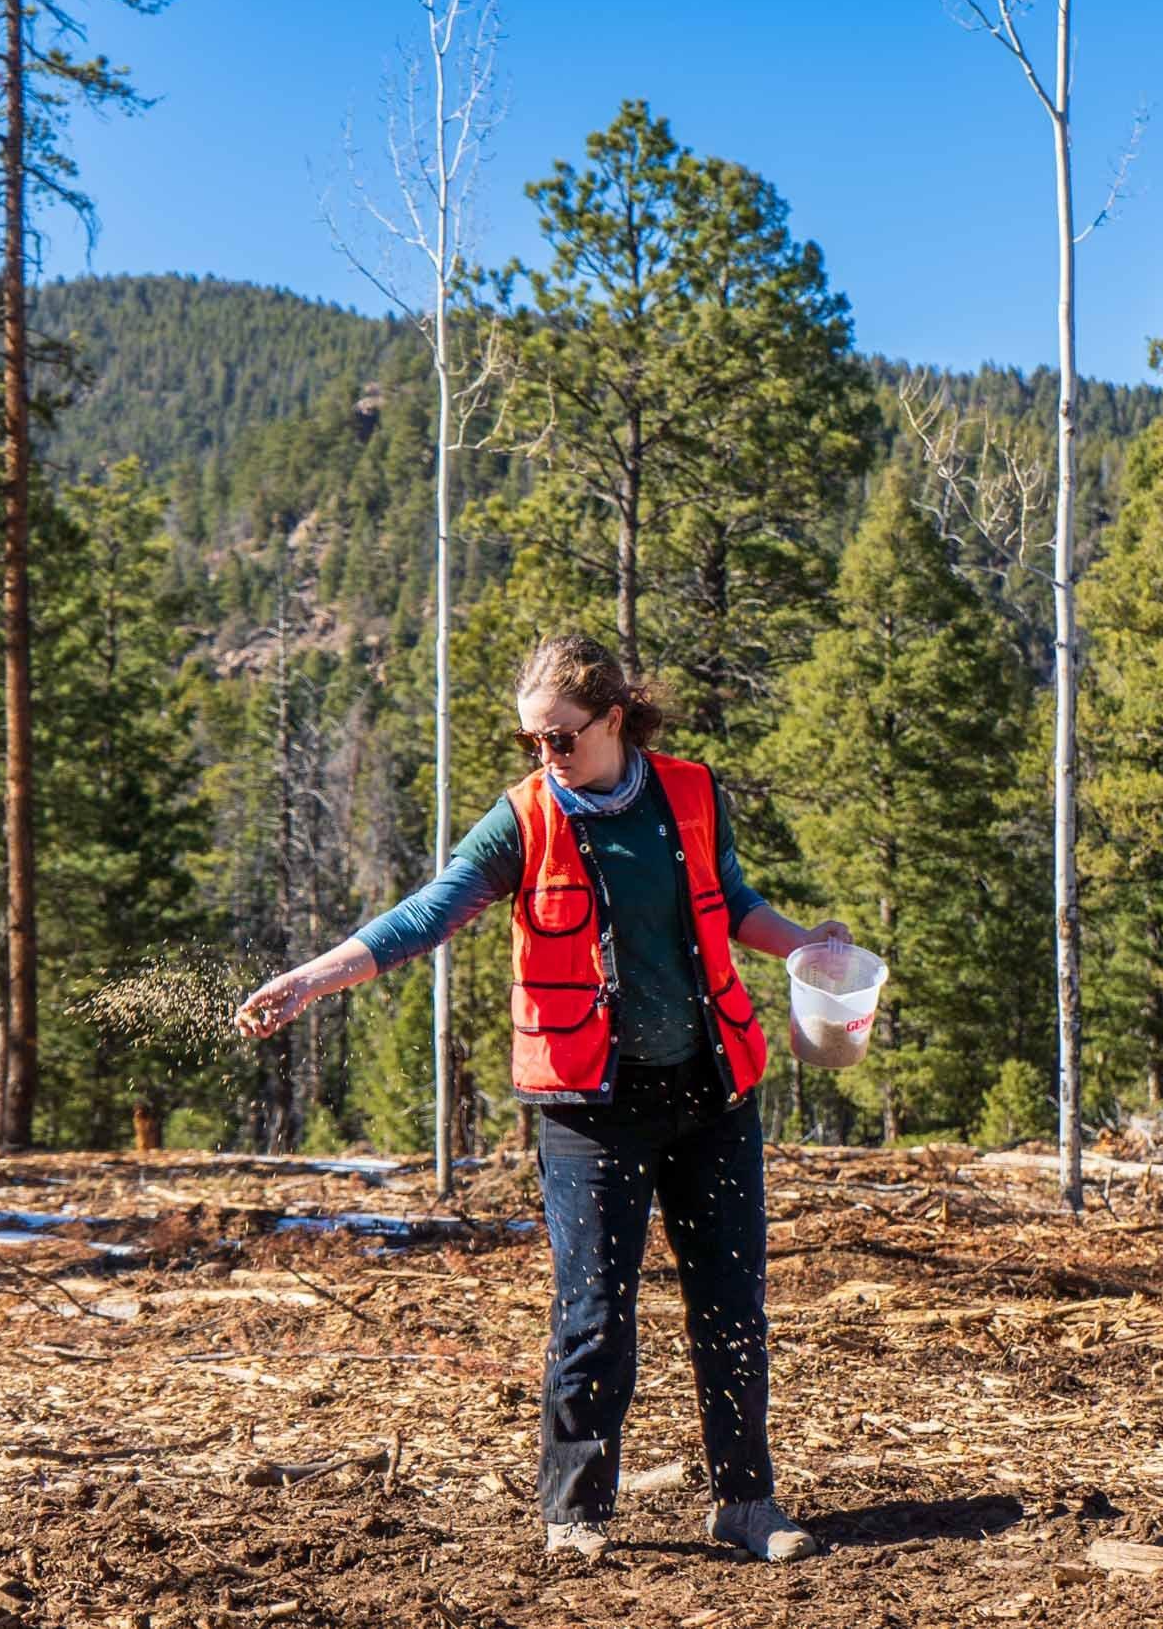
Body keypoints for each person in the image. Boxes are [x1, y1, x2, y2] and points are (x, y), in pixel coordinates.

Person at [234, 634, 846, 1565]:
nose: (545, 756)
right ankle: (577, 1509)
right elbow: (425, 913)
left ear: (612, 718)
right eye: (531, 742)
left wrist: (807, 945)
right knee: (595, 1309)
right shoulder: (523, 820)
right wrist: (315, 978)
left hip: (711, 1090)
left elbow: (732, 895)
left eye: (560, 738)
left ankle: (746, 1501)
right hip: (590, 1107)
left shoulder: (687, 790)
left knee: (732, 1303)